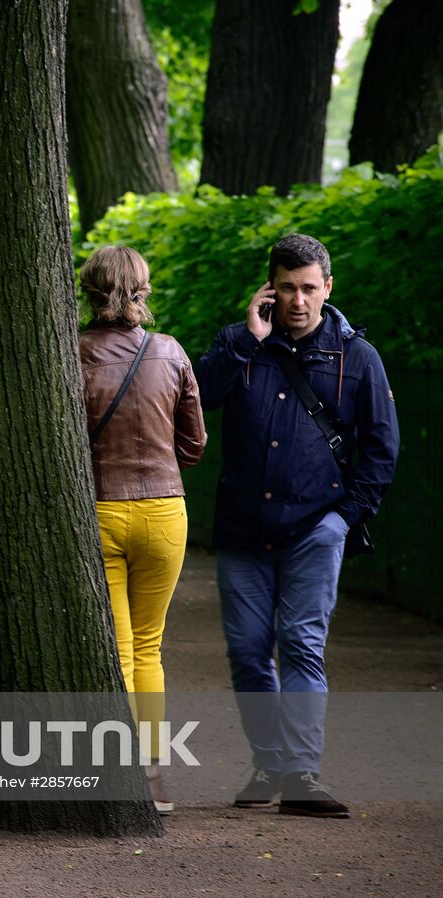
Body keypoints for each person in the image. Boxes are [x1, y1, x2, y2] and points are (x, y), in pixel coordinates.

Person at [194, 234, 399, 818]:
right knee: (249, 652)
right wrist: (246, 343)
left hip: (317, 527)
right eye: (287, 288)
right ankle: (270, 764)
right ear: (269, 289)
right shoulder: (239, 343)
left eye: (310, 288)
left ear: (328, 288)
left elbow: (383, 448)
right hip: (242, 529)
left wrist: (345, 517)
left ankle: (303, 775)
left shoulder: (357, 356)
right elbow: (198, 397)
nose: (299, 300)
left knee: (301, 644)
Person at [77, 246, 206, 815]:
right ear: (141, 292)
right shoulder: (170, 352)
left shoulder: (70, 354)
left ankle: (121, 773)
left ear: (89, 291)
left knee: (121, 652)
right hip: (164, 512)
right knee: (150, 649)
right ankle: (153, 779)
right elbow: (195, 445)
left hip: (102, 512)